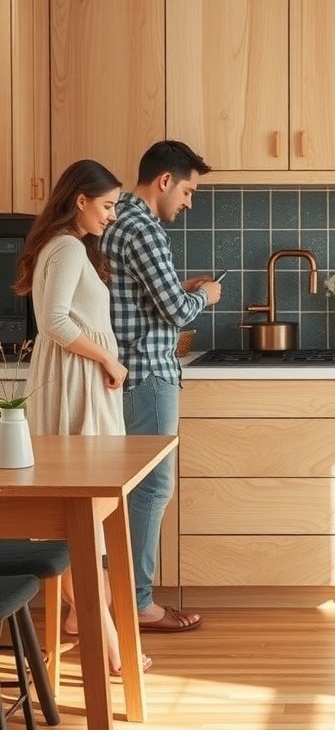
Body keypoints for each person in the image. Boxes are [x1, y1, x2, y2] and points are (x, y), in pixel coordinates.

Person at [14, 159, 151, 675]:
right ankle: (111, 643)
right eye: (108, 205)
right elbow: (51, 322)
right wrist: (110, 359)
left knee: (82, 515)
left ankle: (81, 619)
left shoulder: (69, 246)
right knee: (81, 518)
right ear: (80, 200)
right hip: (76, 384)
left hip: (81, 382)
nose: (112, 215)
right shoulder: (68, 246)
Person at [101, 140, 221, 632]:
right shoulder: (144, 227)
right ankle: (139, 603)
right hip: (149, 374)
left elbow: (148, 298)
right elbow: (173, 311)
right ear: (165, 181)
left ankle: (107, 599)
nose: (189, 202)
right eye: (189, 190)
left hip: (128, 372)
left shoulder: (115, 221)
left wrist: (180, 289)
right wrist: (206, 296)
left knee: (129, 492)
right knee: (151, 489)